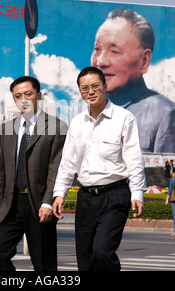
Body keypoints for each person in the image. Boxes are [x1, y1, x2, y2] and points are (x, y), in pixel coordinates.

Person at [53, 67, 145, 271]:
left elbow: (133, 158)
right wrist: (60, 193)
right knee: (85, 258)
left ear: (105, 86)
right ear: (80, 92)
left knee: (102, 251)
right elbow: (68, 161)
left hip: (115, 195)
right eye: (85, 88)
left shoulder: (124, 118)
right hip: (86, 198)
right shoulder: (77, 123)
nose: (91, 92)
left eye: (95, 86)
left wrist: (137, 192)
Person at [0, 76, 67, 271]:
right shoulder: (8, 128)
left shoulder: (56, 127)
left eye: (28, 94)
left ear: (38, 96)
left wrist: (48, 201)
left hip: (39, 205)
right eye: (18, 96)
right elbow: (3, 171)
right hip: (11, 204)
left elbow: (56, 168)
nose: (23, 100)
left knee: (43, 263)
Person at [90, 8, 175, 153]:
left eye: (114, 51)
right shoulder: (83, 111)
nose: (101, 61)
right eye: (97, 49)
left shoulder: (167, 115)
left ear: (144, 60)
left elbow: (171, 174)